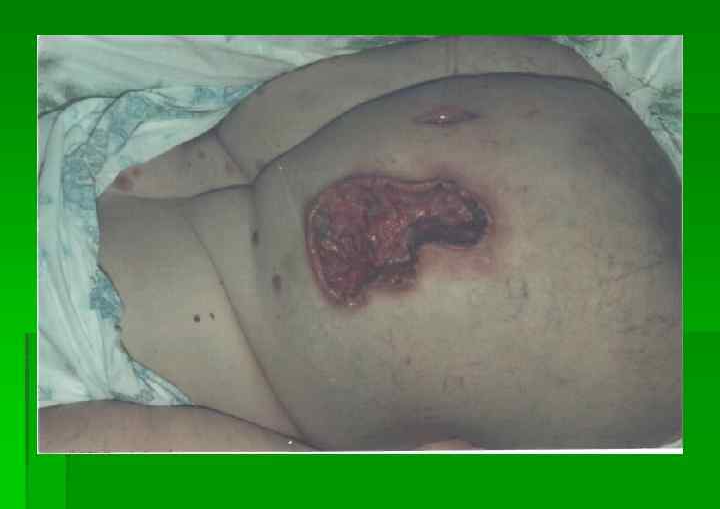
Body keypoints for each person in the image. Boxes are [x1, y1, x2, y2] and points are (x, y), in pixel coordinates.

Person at [39, 37, 681, 452]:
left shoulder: (237, 444)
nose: (407, 208)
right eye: (445, 116)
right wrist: (517, 64)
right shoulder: (238, 158)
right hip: (155, 159)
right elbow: (255, 133)